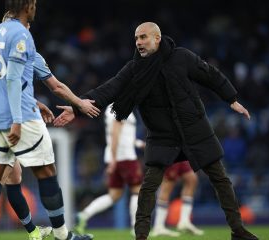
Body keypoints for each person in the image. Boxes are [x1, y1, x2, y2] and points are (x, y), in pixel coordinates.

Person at [54, 22, 258, 240]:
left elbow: (210, 75)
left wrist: (232, 99)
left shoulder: (181, 57)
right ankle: (141, 235)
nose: (139, 42)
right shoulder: (135, 68)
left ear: (157, 38)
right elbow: (110, 88)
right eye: (136, 38)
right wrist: (77, 107)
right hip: (162, 136)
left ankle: (238, 231)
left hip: (194, 129)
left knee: (220, 179)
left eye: (143, 37)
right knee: (149, 186)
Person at [0, 1, 98, 238]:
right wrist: (80, 103)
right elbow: (48, 85)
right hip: (21, 118)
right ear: (27, 6)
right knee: (46, 172)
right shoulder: (23, 40)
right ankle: (61, 235)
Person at [0, 47, 97, 240]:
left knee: (10, 177)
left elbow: (2, 89)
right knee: (38, 173)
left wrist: (36, 103)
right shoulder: (28, 54)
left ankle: (30, 232)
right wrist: (79, 104)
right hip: (18, 122)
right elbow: (56, 87)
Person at [75, 105, 144, 235]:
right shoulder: (122, 106)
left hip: (115, 156)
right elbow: (115, 132)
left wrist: (139, 144)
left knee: (114, 195)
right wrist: (114, 159)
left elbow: (124, 134)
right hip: (125, 157)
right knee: (137, 191)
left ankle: (85, 214)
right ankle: (136, 228)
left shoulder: (112, 107)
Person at [151, 161, 203, 237]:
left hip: (180, 153)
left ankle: (184, 221)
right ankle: (159, 226)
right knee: (168, 184)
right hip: (170, 153)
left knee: (191, 179)